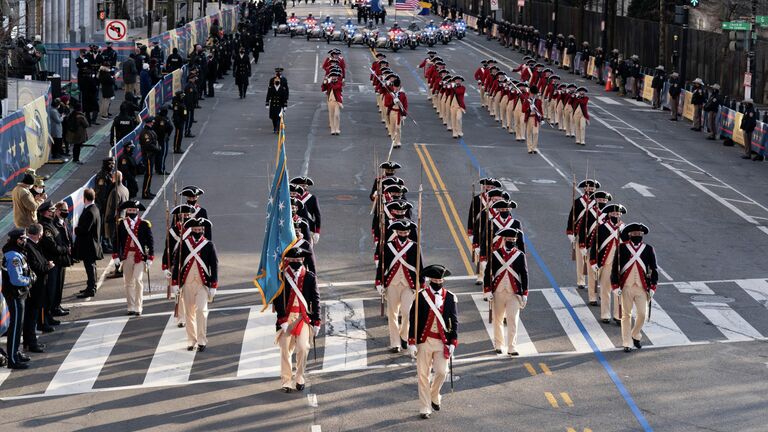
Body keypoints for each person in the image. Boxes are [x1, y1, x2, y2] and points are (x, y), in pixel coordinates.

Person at [408, 264, 458, 419]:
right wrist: (411, 341)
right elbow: (413, 320)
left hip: (442, 341)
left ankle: (434, 393)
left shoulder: (450, 297)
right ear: (430, 279)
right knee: (423, 375)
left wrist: (452, 342)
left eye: (441, 279)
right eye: (436, 279)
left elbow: (454, 321)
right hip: (424, 341)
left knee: (442, 372)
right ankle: (424, 407)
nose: (439, 281)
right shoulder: (420, 296)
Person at [274, 247, 321, 393]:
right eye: (293, 260)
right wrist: (281, 318)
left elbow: (316, 299)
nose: (296, 262)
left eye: (298, 260)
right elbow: (277, 299)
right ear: (287, 261)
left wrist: (317, 320)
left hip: (302, 318)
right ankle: (286, 381)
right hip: (286, 318)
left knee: (303, 347)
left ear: (303, 260)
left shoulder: (309, 277)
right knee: (285, 350)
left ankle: (299, 376)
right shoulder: (281, 276)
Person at [376, 219, 423, 353]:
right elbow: (382, 265)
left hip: (409, 284)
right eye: (401, 232)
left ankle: (404, 335)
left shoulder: (414, 246)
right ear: (396, 232)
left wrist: (422, 283)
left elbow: (420, 266)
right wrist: (379, 281)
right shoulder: (388, 246)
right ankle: (395, 342)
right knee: (392, 313)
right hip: (392, 283)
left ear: (409, 232)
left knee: (407, 312)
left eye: (406, 232)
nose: (403, 234)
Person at [171, 218, 218, 351]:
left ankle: (202, 340)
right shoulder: (184, 245)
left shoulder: (209, 245)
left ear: (203, 230)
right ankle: (191, 340)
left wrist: (214, 285)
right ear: (191, 230)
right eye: (195, 230)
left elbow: (214, 267)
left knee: (201, 311)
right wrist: (175, 282)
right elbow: (177, 264)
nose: (198, 231)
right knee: (189, 313)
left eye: (200, 230)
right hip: (187, 282)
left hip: (202, 284)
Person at [611, 223, 658, 353]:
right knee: (626, 315)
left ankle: (635, 334)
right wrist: (615, 286)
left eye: (640, 234)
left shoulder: (648, 249)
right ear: (630, 235)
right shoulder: (621, 248)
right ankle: (627, 342)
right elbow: (615, 269)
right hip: (626, 286)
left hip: (642, 287)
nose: (637, 235)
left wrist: (653, 287)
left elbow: (654, 269)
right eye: (635, 234)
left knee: (642, 314)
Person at [483, 228, 528, 356]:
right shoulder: (495, 254)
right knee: (498, 319)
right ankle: (498, 344)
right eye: (509, 240)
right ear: (504, 240)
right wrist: (487, 290)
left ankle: (512, 347)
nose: (512, 242)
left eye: (513, 240)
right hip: (498, 291)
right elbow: (488, 273)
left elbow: (524, 275)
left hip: (514, 293)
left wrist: (525, 293)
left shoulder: (520, 255)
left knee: (513, 320)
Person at [113, 200, 154, 316]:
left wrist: (150, 257)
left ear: (137, 211)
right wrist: (115, 255)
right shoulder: (121, 224)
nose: (132, 212)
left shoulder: (144, 224)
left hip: (139, 256)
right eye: (130, 210)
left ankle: (138, 306)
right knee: (128, 282)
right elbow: (116, 240)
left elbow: (150, 242)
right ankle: (130, 306)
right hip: (127, 256)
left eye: (134, 210)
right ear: (127, 211)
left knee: (138, 279)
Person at [590, 203, 626, 324]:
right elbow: (595, 246)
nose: (617, 215)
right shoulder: (601, 228)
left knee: (619, 290)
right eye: (614, 213)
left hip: (620, 265)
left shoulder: (625, 229)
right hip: (606, 263)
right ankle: (605, 314)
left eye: (618, 214)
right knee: (605, 290)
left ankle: (618, 315)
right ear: (609, 214)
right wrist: (594, 261)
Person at [2, 228, 33, 369]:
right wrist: (30, 279)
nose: (24, 241)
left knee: (18, 326)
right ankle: (13, 359)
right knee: (15, 327)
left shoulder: (16, 253)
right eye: (22, 239)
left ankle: (15, 352)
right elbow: (16, 279)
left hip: (19, 294)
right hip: (15, 294)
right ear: (16, 240)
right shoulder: (13, 256)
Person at [37, 202, 69, 328]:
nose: (52, 212)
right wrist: (65, 250)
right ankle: (45, 319)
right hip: (50, 262)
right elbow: (52, 246)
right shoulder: (45, 226)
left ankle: (49, 315)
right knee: (48, 292)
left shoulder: (50, 224)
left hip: (56, 262)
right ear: (45, 212)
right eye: (50, 210)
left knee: (54, 291)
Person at [24, 223, 53, 348]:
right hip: (35, 287)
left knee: (31, 315)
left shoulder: (33, 245)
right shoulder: (30, 247)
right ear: (39, 234)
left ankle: (29, 341)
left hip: (36, 286)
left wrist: (46, 263)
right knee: (32, 316)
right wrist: (48, 266)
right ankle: (31, 343)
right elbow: (35, 267)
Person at [567, 179, 600, 290]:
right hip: (579, 234)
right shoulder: (578, 201)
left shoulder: (597, 202)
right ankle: (581, 280)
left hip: (593, 234)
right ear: (585, 189)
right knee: (580, 259)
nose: (591, 190)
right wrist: (570, 232)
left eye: (593, 188)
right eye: (589, 188)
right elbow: (572, 217)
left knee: (593, 259)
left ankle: (594, 281)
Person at [74, 189, 103, 298]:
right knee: (91, 267)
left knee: (90, 268)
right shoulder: (94, 209)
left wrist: (76, 230)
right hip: (92, 244)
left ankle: (91, 288)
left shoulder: (90, 211)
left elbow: (85, 229)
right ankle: (91, 286)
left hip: (89, 245)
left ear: (85, 198)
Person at [104, 171, 130, 275]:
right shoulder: (125, 189)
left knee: (116, 248)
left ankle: (118, 268)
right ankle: (121, 268)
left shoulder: (115, 191)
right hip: (123, 221)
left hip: (115, 223)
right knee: (121, 246)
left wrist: (107, 219)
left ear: (114, 179)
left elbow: (112, 208)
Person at [51, 202, 73, 317]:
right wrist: (65, 249)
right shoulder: (54, 224)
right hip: (57, 258)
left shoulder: (64, 222)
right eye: (64, 209)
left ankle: (58, 304)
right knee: (56, 284)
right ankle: (54, 307)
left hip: (64, 258)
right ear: (57, 211)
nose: (66, 211)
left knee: (60, 284)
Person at [384, 78, 408, 149]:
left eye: (398, 87)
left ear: (399, 87)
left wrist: (404, 114)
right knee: (392, 127)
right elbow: (386, 104)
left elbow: (405, 105)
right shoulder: (390, 94)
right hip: (392, 112)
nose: (396, 88)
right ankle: (393, 141)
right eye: (395, 87)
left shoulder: (403, 95)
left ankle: (398, 141)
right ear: (393, 86)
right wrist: (393, 102)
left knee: (398, 128)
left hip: (399, 113)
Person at [321, 71, 343, 136]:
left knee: (337, 115)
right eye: (332, 76)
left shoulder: (339, 82)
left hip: (337, 101)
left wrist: (329, 82)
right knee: (331, 115)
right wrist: (324, 83)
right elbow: (323, 88)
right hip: (330, 101)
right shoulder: (329, 82)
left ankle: (337, 129)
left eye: (335, 76)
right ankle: (333, 130)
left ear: (336, 77)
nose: (333, 77)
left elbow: (335, 88)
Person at [523, 85, 543, 154]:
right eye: (532, 94)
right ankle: (529, 148)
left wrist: (542, 119)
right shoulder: (527, 100)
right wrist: (529, 108)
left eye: (535, 94)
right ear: (530, 93)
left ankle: (534, 147)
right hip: (529, 118)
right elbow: (523, 110)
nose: (533, 95)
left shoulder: (538, 101)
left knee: (535, 133)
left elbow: (540, 110)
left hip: (536, 119)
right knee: (528, 133)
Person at [154, 107, 173, 175]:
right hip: (163, 139)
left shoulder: (156, 118)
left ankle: (157, 168)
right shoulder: (165, 119)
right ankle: (161, 169)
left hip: (156, 138)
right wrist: (167, 135)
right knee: (163, 154)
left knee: (158, 153)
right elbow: (170, 127)